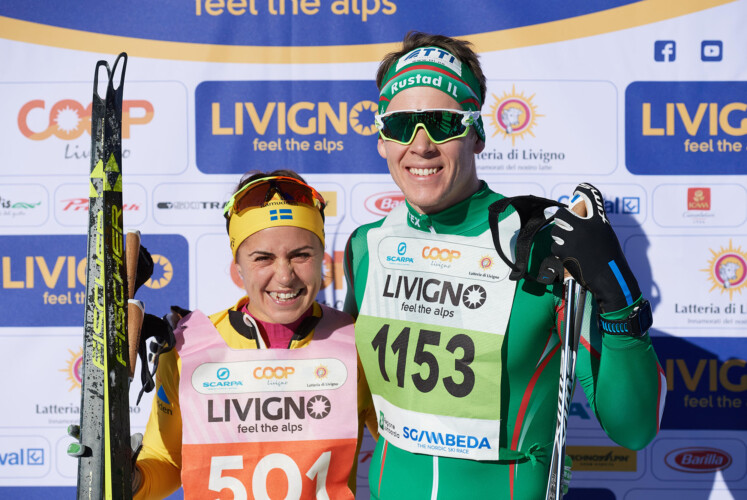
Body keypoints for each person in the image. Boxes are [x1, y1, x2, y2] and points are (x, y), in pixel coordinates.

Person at [343, 32, 666, 499]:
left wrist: (619, 295)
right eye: (400, 125)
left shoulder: (540, 245)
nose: (421, 145)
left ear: (477, 134)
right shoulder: (365, 247)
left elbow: (634, 428)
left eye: (442, 123)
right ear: (381, 139)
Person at [133, 170, 376, 499]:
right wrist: (131, 479)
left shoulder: (358, 342)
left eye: (301, 255)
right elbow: (165, 461)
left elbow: (399, 451)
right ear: (238, 265)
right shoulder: (188, 345)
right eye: (263, 258)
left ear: (322, 257)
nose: (285, 276)